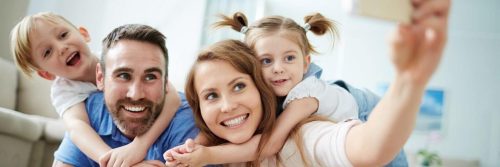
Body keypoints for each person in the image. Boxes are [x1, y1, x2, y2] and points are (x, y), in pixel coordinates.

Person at [165, 0, 450, 165]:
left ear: (306, 62)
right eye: (266, 61)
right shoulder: (273, 100)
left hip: (368, 111)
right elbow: (171, 98)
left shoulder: (304, 102)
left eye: (238, 86)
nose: (278, 70)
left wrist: (409, 80)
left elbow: (270, 144)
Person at [10, 13, 181, 166]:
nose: (62, 48)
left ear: (84, 34)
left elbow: (172, 96)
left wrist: (139, 146)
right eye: (47, 52)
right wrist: (117, 161)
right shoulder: (64, 90)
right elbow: (77, 128)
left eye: (63, 35)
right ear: (46, 74)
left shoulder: (114, 57)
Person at [48, 24, 199, 166]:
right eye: (123, 75)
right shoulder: (87, 111)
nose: (136, 94)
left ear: (166, 81)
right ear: (100, 78)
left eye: (150, 77)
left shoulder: (186, 123)